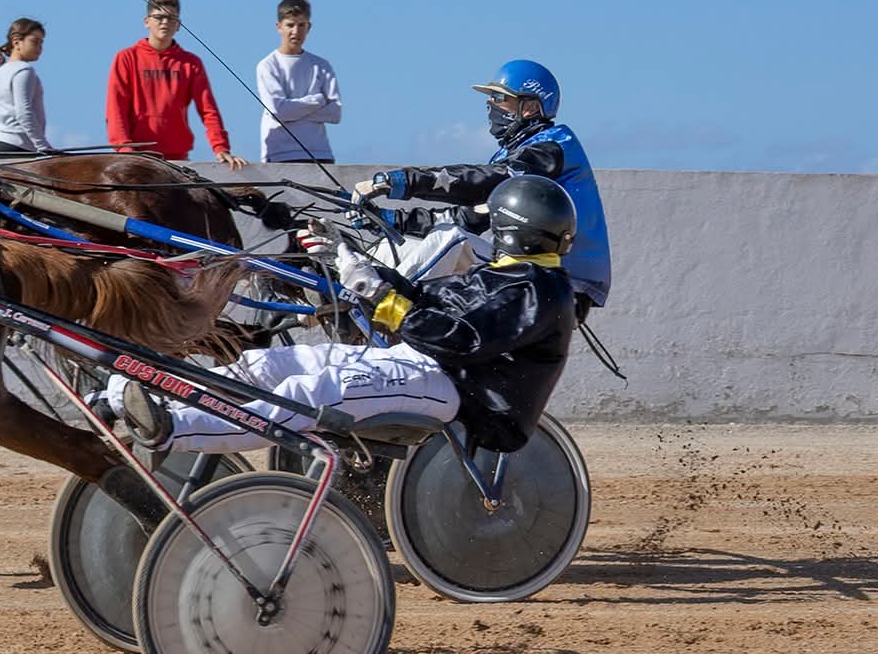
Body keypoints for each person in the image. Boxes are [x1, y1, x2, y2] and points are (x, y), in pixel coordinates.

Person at [96, 175, 578, 457]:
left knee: (310, 394)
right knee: (268, 367)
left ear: (511, 229)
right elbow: (427, 301)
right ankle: (125, 398)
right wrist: (352, 261)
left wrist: (371, 288)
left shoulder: (539, 291)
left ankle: (170, 431)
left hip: (460, 393)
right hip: (424, 366)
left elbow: (456, 339)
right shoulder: (510, 274)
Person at [351, 59, 609, 318]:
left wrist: (403, 181)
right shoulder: (512, 154)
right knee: (392, 247)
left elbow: (486, 181)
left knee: (453, 240)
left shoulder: (552, 148)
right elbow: (468, 218)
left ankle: (382, 308)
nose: (490, 105)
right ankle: (351, 312)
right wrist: (390, 220)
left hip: (560, 281)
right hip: (521, 270)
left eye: (499, 97)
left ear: (529, 107)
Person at [104, 0, 248, 168]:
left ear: (179, 25)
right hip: (136, 158)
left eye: (172, 18)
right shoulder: (126, 58)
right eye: (159, 17)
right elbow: (116, 108)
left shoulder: (191, 63)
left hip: (177, 159)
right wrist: (125, 150)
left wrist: (221, 148)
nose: (165, 22)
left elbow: (208, 109)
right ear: (147, 22)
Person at [255, 0, 340, 163]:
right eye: (290, 25)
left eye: (301, 25)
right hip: (279, 154)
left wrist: (293, 109)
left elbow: (335, 113)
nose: (296, 31)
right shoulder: (267, 65)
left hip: (320, 153)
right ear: (279, 27)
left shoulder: (322, 65)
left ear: (309, 27)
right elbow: (279, 111)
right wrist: (317, 100)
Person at [0, 18, 57, 154]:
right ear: (16, 42)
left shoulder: (1, 70)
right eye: (35, 41)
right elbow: (23, 112)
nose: (39, 48)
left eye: (41, 43)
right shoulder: (24, 70)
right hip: (18, 147)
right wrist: (43, 146)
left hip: (0, 145)